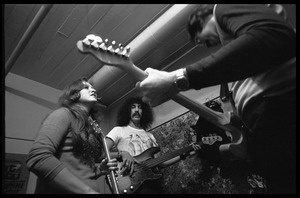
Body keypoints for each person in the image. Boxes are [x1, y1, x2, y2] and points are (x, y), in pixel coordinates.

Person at [136, 4, 296, 194]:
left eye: (200, 40)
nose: (208, 45)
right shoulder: (240, 47)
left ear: (202, 21)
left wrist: (178, 78)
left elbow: (272, 35)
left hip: (280, 109)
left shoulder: (222, 8)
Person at [26, 77, 118, 194]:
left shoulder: (90, 127)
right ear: (74, 94)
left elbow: (80, 168)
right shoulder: (63, 114)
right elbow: (38, 158)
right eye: (86, 87)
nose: (93, 89)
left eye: (92, 87)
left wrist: (99, 170)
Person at [105, 96, 199, 194]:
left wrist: (185, 154)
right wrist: (122, 154)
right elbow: (102, 153)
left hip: (153, 184)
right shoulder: (119, 130)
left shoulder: (150, 136)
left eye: (140, 107)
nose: (137, 110)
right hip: (130, 182)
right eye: (133, 107)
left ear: (144, 111)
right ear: (127, 111)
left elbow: (161, 163)